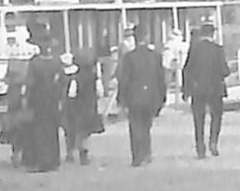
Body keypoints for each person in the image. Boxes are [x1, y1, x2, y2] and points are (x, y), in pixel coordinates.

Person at [115, 26, 166, 166]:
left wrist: (121, 99)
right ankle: (146, 151)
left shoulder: (128, 57)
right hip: (151, 96)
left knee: (135, 126)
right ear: (147, 37)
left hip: (134, 97)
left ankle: (137, 155)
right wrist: (162, 98)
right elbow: (161, 79)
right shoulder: (156, 56)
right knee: (146, 125)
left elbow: (123, 80)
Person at [181, 22, 231, 158]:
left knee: (198, 120)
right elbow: (225, 70)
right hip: (215, 89)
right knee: (216, 117)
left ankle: (200, 147)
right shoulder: (218, 49)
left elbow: (186, 70)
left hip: (198, 89)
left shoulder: (194, 50)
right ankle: (213, 142)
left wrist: (185, 90)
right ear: (212, 34)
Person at [22, 27, 64, 172]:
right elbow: (61, 82)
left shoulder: (35, 63)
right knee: (51, 130)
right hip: (51, 99)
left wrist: (26, 99)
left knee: (40, 131)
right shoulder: (56, 62)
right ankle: (52, 160)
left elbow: (30, 83)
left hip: (39, 100)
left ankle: (43, 161)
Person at [62, 48, 105, 165]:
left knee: (72, 130)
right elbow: (100, 92)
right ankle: (83, 154)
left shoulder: (75, 78)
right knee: (85, 133)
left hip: (77, 108)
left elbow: (72, 94)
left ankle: (70, 152)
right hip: (90, 107)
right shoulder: (94, 77)